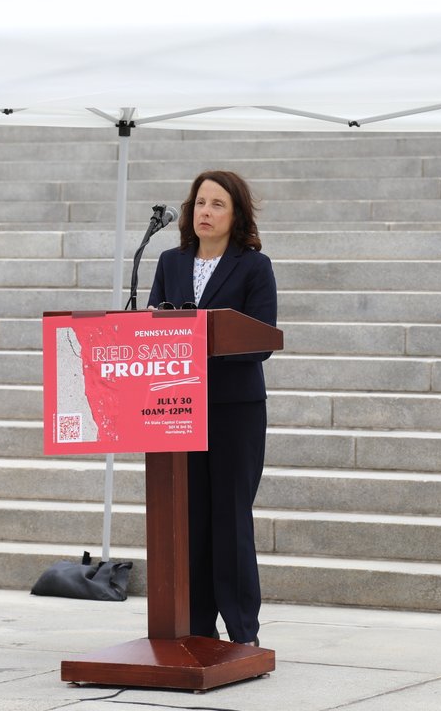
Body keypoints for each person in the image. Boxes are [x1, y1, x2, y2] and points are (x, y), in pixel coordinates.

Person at [147, 170, 277, 647]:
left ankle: (243, 632)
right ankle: (196, 627)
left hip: (233, 410)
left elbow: (261, 338)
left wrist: (198, 337)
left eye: (217, 204)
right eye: (200, 202)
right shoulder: (169, 261)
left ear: (236, 213)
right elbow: (154, 329)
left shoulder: (253, 267)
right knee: (189, 518)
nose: (205, 211)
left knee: (230, 516)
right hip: (176, 406)